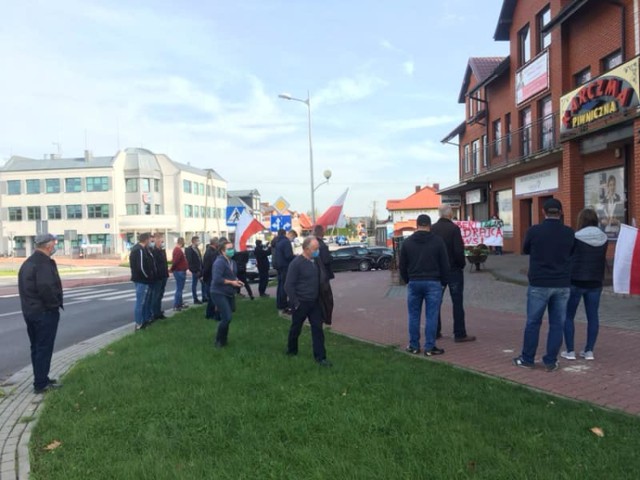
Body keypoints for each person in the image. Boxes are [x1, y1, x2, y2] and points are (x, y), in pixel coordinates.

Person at [513, 198, 575, 371]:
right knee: (557, 324)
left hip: (539, 283)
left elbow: (525, 249)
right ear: (561, 212)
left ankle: (527, 359)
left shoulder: (534, 231)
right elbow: (572, 252)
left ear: (543, 212)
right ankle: (550, 361)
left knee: (533, 322)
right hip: (562, 284)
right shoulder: (569, 232)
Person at [18, 233, 64, 394]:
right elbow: (47, 288)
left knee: (37, 347)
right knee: (44, 347)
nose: (55, 246)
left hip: (30, 311)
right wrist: (54, 305)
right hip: (44, 312)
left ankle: (41, 377)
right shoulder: (43, 263)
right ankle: (41, 383)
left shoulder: (29, 262)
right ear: (48, 245)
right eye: (54, 243)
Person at [399, 214, 450, 356]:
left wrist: (408, 280)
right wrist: (443, 282)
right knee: (431, 316)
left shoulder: (408, 242)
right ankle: (429, 347)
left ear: (417, 225)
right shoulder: (438, 241)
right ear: (429, 225)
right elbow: (445, 265)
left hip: (414, 282)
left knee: (414, 315)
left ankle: (414, 345)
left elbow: (402, 265)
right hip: (433, 282)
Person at [561, 208, 608, 361]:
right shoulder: (604, 238)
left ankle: (570, 351)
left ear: (581, 220)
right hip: (595, 281)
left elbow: (568, 257)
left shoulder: (575, 237)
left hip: (575, 280)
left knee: (569, 316)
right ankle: (589, 351)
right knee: (593, 316)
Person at [431, 205, 476, 343]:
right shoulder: (454, 229)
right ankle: (459, 333)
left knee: (436, 302)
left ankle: (435, 331)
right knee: (457, 302)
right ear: (450, 214)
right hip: (453, 270)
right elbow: (458, 251)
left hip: (437, 271)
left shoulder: (432, 229)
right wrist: (461, 264)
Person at [285, 236, 331, 366]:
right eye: (315, 249)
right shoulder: (296, 264)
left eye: (318, 248)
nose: (317, 251)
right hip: (301, 302)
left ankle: (321, 357)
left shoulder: (316, 262)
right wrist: (296, 302)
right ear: (306, 249)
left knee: (317, 329)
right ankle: (291, 350)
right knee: (296, 328)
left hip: (314, 302)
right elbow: (288, 285)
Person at [211, 241, 244, 348]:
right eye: (229, 249)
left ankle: (224, 340)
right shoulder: (219, 262)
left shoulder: (232, 262)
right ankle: (218, 341)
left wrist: (237, 281)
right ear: (222, 251)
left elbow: (232, 276)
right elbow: (217, 279)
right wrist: (231, 282)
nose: (231, 250)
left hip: (229, 292)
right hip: (218, 292)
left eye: (232, 248)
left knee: (227, 316)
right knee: (227, 317)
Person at [129, 232, 156, 330]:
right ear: (146, 240)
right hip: (141, 280)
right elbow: (141, 266)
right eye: (150, 239)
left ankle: (145, 320)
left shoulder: (143, 249)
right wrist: (147, 277)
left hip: (143, 279)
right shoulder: (139, 250)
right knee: (140, 302)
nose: (151, 241)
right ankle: (139, 323)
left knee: (144, 302)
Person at [313, 225, 335, 325]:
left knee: (319, 298)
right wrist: (331, 257)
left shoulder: (312, 244)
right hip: (323, 275)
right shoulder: (322, 245)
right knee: (327, 299)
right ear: (322, 232)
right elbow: (326, 260)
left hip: (314, 275)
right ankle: (326, 319)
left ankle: (320, 317)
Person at [274, 229, 295, 312]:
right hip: (285, 266)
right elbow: (288, 256)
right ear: (290, 234)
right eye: (293, 237)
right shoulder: (286, 242)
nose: (293, 239)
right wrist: (295, 257)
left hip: (279, 266)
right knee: (285, 286)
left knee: (280, 286)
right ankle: (284, 304)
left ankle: (280, 304)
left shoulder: (278, 241)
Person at [150, 233, 169, 321]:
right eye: (161, 240)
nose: (162, 242)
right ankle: (154, 313)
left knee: (160, 294)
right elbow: (155, 264)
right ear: (157, 241)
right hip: (158, 276)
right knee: (156, 295)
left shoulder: (162, 250)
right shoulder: (153, 251)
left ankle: (158, 311)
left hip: (164, 275)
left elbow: (164, 263)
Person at [169, 237, 189, 311]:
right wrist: (171, 269)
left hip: (180, 270)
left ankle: (179, 303)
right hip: (179, 271)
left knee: (180, 288)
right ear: (181, 242)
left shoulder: (178, 250)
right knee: (179, 289)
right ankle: (176, 304)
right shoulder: (178, 250)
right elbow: (176, 261)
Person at [202, 237, 219, 319]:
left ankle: (209, 313)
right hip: (210, 277)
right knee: (212, 297)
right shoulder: (211, 252)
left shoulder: (211, 251)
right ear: (215, 243)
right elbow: (207, 266)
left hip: (210, 276)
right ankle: (210, 314)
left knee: (212, 297)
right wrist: (204, 277)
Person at [185, 236, 205, 304]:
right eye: (197, 240)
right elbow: (190, 261)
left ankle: (204, 297)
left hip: (200, 269)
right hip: (195, 270)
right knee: (194, 284)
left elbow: (199, 259)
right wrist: (194, 270)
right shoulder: (189, 249)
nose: (198, 242)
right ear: (193, 241)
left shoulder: (197, 249)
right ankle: (195, 298)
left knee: (203, 283)